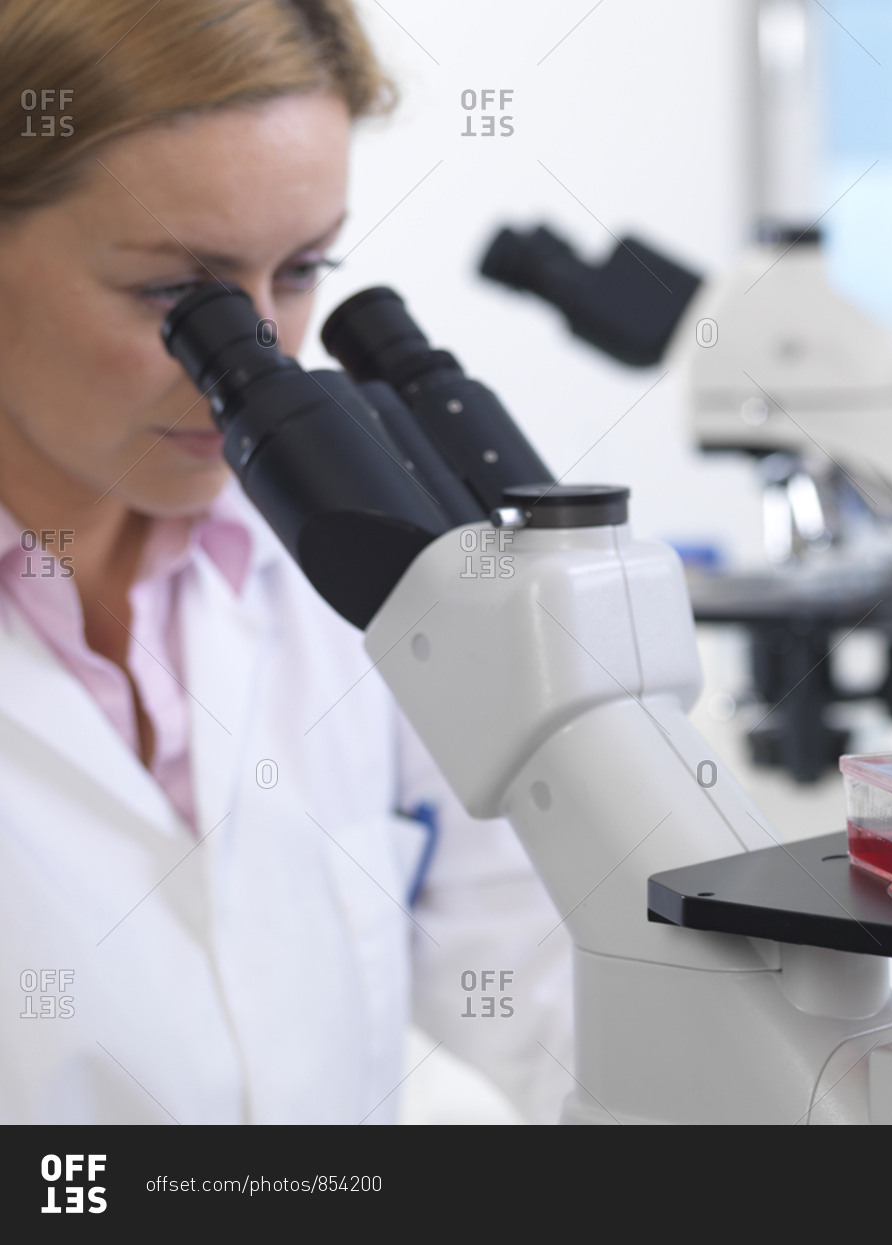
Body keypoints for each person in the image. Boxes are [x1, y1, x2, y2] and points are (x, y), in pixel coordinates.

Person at [0, 0, 572, 1124]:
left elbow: (555, 984)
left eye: (303, 270)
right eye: (179, 295)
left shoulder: (359, 577)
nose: (260, 359)